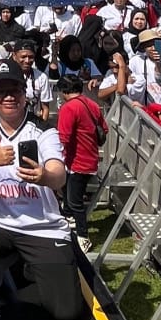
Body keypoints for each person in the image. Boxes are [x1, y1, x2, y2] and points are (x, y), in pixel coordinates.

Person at [0, 61, 82, 320]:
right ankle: (3, 267)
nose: (8, 97)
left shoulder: (43, 129)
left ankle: (19, 265)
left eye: (14, 90)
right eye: (0, 91)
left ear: (24, 91)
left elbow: (59, 173)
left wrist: (44, 176)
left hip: (40, 227)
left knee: (68, 315)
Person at [55, 73, 105, 249]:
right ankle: (68, 222)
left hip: (76, 161)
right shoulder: (92, 105)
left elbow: (64, 137)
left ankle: (83, 237)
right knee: (69, 198)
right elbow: (103, 129)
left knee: (75, 201)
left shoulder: (69, 108)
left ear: (63, 91)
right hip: (90, 158)